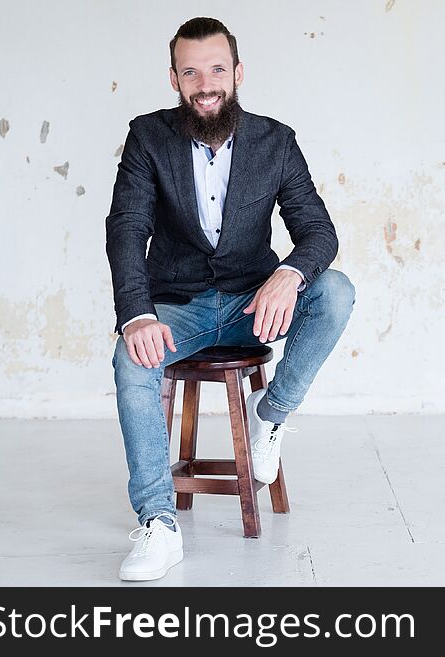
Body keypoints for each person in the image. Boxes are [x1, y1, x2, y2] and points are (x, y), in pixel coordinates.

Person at [106, 17, 355, 582]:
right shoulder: (148, 136)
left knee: (335, 290)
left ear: (237, 73)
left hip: (253, 305)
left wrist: (288, 274)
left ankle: (271, 416)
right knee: (130, 358)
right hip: (179, 309)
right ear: (174, 79)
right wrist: (137, 315)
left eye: (217, 69)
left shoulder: (276, 140)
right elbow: (125, 228)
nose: (205, 83)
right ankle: (158, 525)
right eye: (191, 72)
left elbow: (320, 232)